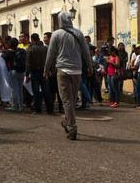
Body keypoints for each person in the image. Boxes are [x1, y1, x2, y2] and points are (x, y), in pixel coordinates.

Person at [44, 12, 93, 140]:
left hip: (63, 70)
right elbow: (86, 51)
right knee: (70, 100)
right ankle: (67, 121)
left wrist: (46, 68)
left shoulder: (56, 34)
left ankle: (72, 127)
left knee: (67, 101)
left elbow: (51, 53)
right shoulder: (79, 33)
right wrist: (90, 66)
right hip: (77, 71)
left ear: (59, 21)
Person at [26, 33, 52, 114]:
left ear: (32, 39)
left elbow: (28, 63)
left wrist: (27, 74)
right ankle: (50, 109)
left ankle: (38, 109)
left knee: (36, 91)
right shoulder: (45, 49)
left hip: (35, 72)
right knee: (46, 90)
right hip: (44, 71)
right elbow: (49, 60)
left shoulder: (31, 49)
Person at [7, 37, 26, 111]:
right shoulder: (22, 51)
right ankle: (21, 106)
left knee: (14, 89)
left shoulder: (9, 52)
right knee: (20, 89)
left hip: (13, 71)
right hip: (21, 71)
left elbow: (4, 57)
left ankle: (14, 106)